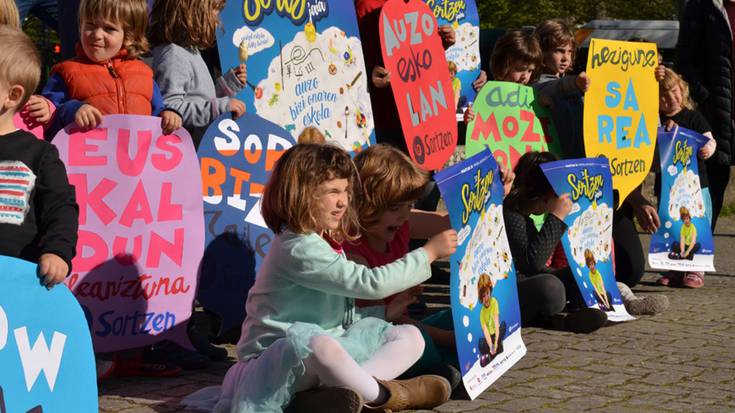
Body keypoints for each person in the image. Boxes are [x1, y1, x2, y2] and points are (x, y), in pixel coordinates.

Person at [187, 144, 458, 413]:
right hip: (277, 362)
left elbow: (336, 315)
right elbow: (369, 282)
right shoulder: (297, 246)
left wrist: (384, 311)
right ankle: (386, 396)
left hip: (326, 356)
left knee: (410, 336)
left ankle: (339, 396)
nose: (344, 201)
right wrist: (428, 253)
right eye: (333, 192)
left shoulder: (323, 239)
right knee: (317, 343)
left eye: (346, 191)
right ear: (302, 195)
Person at [345, 144, 477, 392]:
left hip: (406, 324)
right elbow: (384, 322)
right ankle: (433, 375)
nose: (404, 215)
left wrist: (494, 189)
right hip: (376, 337)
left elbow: (451, 222)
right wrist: (445, 338)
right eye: (395, 208)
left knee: (459, 318)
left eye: (409, 205)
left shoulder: (400, 222)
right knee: (424, 342)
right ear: (366, 204)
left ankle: (444, 372)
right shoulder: (353, 256)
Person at [0, 25, 78, 288]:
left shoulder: (40, 154)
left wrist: (57, 252)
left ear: (12, 96)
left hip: (19, 281)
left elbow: (61, 207)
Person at [36, 0, 181, 139]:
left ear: (129, 36)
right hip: (85, 161)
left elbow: (157, 112)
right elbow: (49, 119)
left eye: (109, 28)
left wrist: (168, 115)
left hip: (137, 161)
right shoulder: (65, 72)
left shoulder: (143, 73)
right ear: (80, 27)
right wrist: (72, 110)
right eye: (90, 25)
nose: (97, 35)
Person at [503, 151, 608, 333]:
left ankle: (578, 313)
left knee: (580, 274)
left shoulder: (525, 217)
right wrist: (556, 216)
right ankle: (558, 320)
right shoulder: (511, 214)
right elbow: (532, 264)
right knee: (551, 288)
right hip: (506, 292)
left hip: (526, 281)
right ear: (546, 195)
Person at [150, 0, 246, 147]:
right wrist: (220, 107)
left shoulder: (190, 51)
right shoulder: (174, 55)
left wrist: (228, 84)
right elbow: (170, 109)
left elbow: (200, 97)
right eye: (214, 10)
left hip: (200, 148)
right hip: (189, 152)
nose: (217, 20)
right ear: (191, 13)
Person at [676, 0, 734, 230]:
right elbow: (684, 61)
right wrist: (707, 98)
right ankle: (697, 253)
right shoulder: (702, 6)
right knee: (712, 186)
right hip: (716, 114)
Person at [657, 67, 715, 288]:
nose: (670, 98)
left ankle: (696, 269)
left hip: (697, 187)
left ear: (682, 89)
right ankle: (674, 268)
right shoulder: (656, 121)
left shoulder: (693, 117)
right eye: (662, 96)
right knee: (671, 226)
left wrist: (707, 149)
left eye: (673, 91)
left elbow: (710, 139)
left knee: (697, 226)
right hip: (669, 189)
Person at [476, 273, 506, 367]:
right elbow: (485, 332)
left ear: (490, 291)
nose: (486, 298)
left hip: (496, 333)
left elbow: (496, 324)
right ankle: (497, 350)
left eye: (487, 293)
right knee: (481, 343)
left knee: (503, 325)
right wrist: (491, 346)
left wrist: (496, 342)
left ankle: (495, 351)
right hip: (490, 337)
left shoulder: (494, 302)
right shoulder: (481, 313)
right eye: (483, 296)